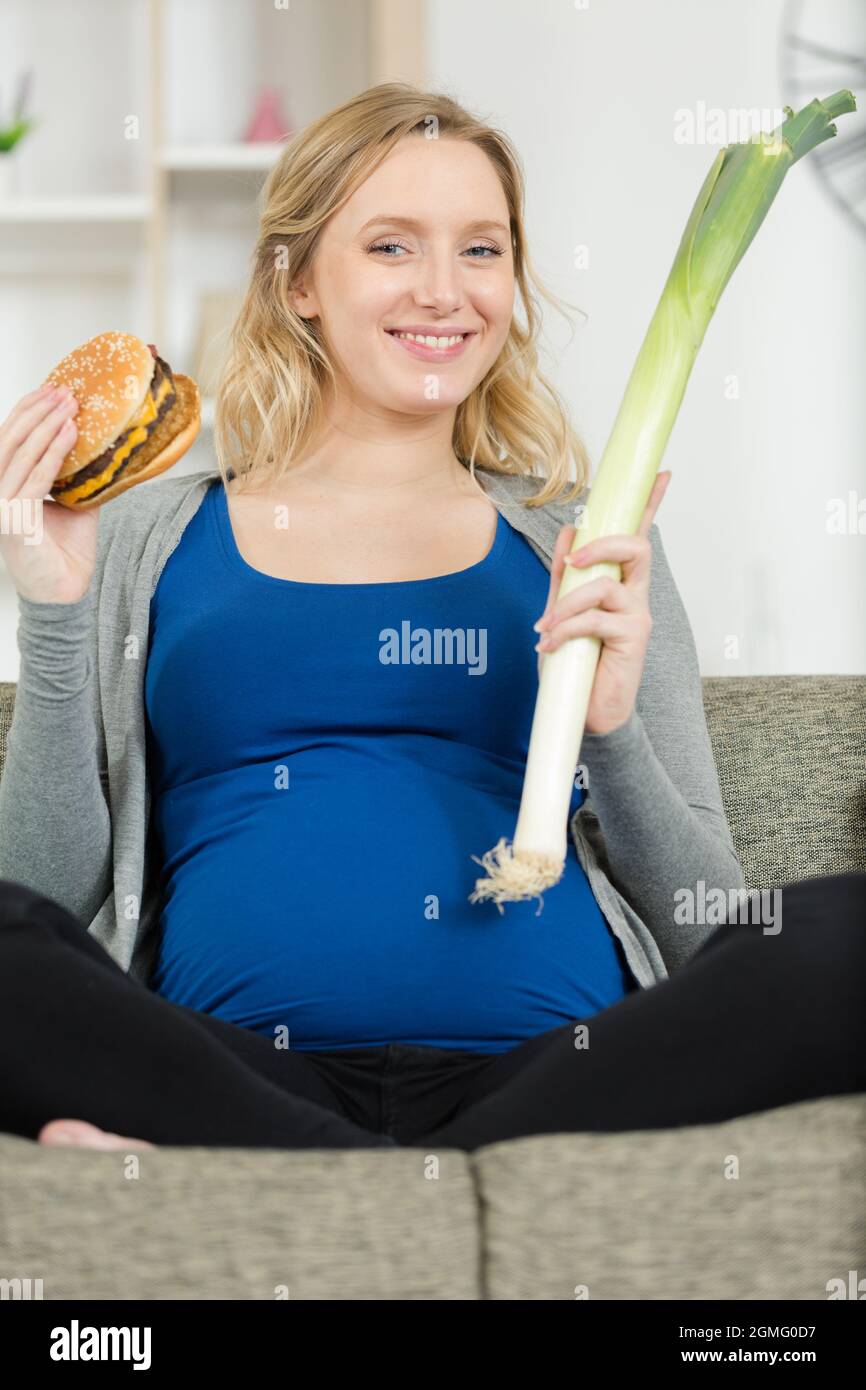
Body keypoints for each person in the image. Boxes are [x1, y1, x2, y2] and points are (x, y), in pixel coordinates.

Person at [0, 83, 862, 1155]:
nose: (444, 293)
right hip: (230, 1067)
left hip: (556, 1079)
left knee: (843, 930)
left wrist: (612, 730)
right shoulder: (151, 533)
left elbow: (709, 925)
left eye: (481, 250)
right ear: (299, 279)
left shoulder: (581, 538)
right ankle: (399, 1179)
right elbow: (37, 893)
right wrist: (51, 614)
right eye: (392, 247)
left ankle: (319, 1182)